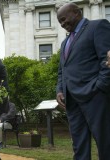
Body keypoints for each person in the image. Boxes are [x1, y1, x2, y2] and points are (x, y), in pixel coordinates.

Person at [56, 3, 110, 160]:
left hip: (95, 97)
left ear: (77, 12)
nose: (63, 24)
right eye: (60, 22)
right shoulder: (64, 43)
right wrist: (60, 90)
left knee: (105, 143)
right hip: (72, 102)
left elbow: (106, 61)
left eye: (64, 19)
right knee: (79, 147)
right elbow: (62, 71)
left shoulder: (98, 26)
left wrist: (100, 87)